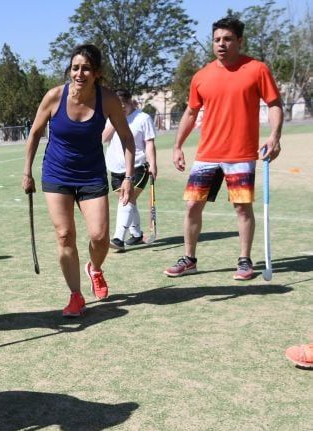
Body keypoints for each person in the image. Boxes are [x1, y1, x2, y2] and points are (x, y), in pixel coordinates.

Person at [164, 16, 283, 280]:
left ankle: (244, 261)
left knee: (242, 208)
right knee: (193, 206)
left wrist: (274, 136)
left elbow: (275, 104)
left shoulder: (257, 69)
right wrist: (177, 145)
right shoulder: (201, 76)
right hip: (207, 154)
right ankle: (189, 258)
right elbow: (191, 112)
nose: (221, 44)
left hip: (240, 154)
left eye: (227, 39)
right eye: (217, 39)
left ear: (239, 41)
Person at [23, 44, 135, 317]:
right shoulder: (54, 97)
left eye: (86, 68)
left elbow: (127, 139)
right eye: (75, 68)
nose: (79, 73)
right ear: (69, 70)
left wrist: (129, 177)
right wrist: (27, 172)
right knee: (65, 235)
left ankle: (94, 268)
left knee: (99, 236)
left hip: (92, 174)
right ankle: (75, 296)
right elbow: (35, 133)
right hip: (56, 173)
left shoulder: (107, 100)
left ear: (96, 73)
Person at [102, 89, 157, 250]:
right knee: (129, 202)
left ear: (130, 102)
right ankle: (137, 233)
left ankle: (118, 238)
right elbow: (103, 138)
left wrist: (153, 164)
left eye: (123, 106)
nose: (121, 110)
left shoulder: (143, 118)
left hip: (138, 167)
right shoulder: (111, 118)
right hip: (115, 167)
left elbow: (149, 143)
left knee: (126, 199)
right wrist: (113, 121)